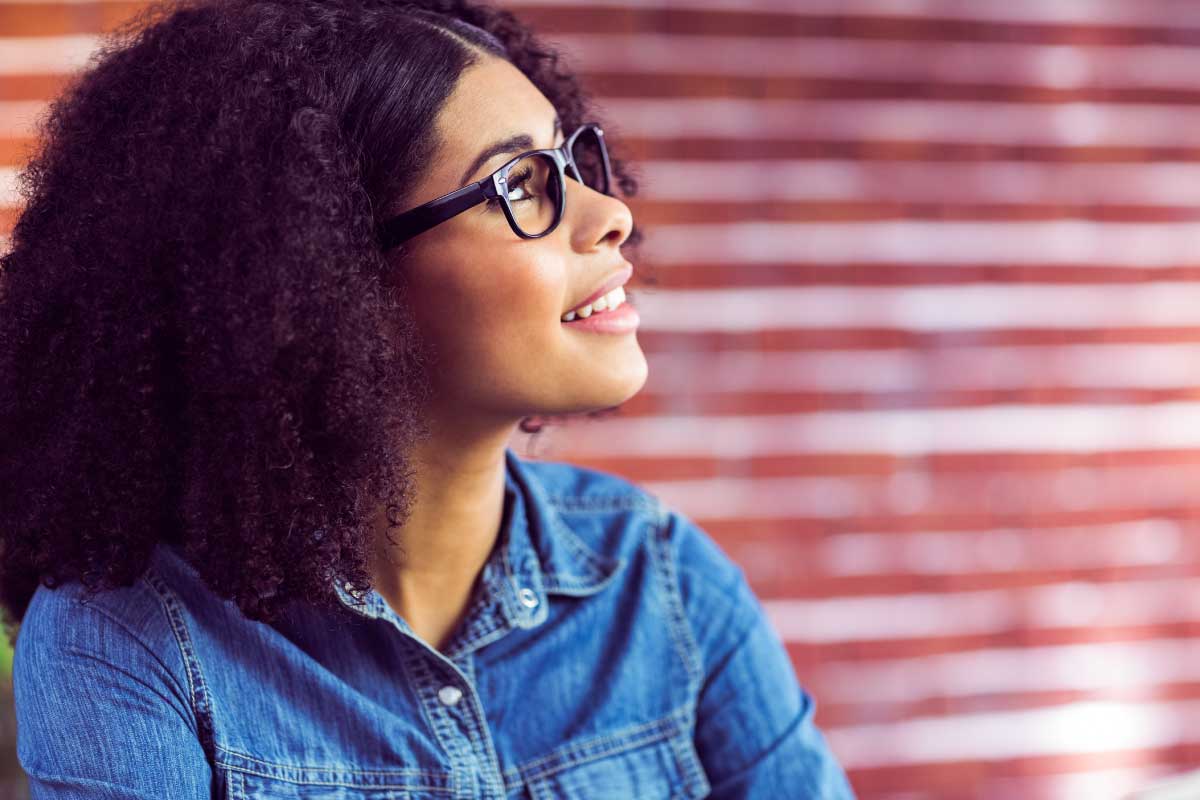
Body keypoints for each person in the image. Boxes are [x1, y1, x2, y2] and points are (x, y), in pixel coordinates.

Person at [0, 0, 856, 796]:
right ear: (327, 274)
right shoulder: (129, 646)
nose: (610, 214)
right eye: (520, 185)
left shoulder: (661, 579)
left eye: (571, 159)